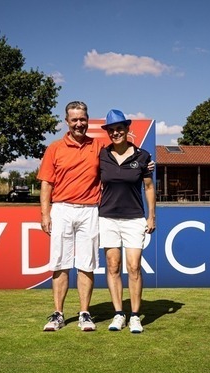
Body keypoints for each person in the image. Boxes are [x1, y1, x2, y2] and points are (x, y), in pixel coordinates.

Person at [37, 101, 104, 332]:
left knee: (87, 264)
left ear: (88, 120)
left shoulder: (98, 147)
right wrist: (45, 214)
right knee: (60, 263)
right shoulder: (54, 148)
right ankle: (58, 314)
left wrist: (146, 163)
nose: (79, 123)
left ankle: (85, 313)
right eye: (74, 119)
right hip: (61, 209)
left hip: (90, 210)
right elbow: (46, 184)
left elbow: (120, 163)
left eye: (82, 119)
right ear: (67, 121)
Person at [99, 109, 156, 333]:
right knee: (113, 266)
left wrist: (151, 216)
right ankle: (118, 314)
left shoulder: (143, 157)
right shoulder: (102, 155)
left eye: (119, 129)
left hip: (134, 218)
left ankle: (134, 316)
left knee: (134, 267)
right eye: (111, 130)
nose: (115, 133)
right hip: (107, 218)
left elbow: (148, 187)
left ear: (127, 129)